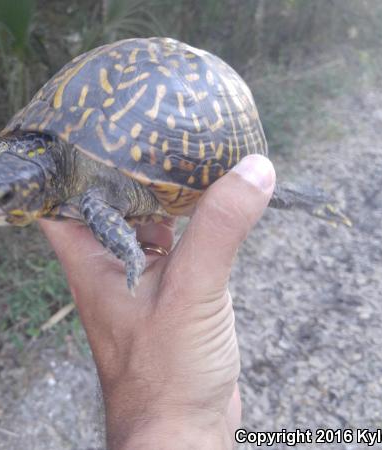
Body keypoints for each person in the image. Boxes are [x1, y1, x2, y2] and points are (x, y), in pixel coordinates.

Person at [39, 154, 276, 449]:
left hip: (186, 156)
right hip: (132, 170)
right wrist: (190, 419)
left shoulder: (75, 181)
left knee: (94, 203)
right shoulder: (75, 180)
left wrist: (180, 417)